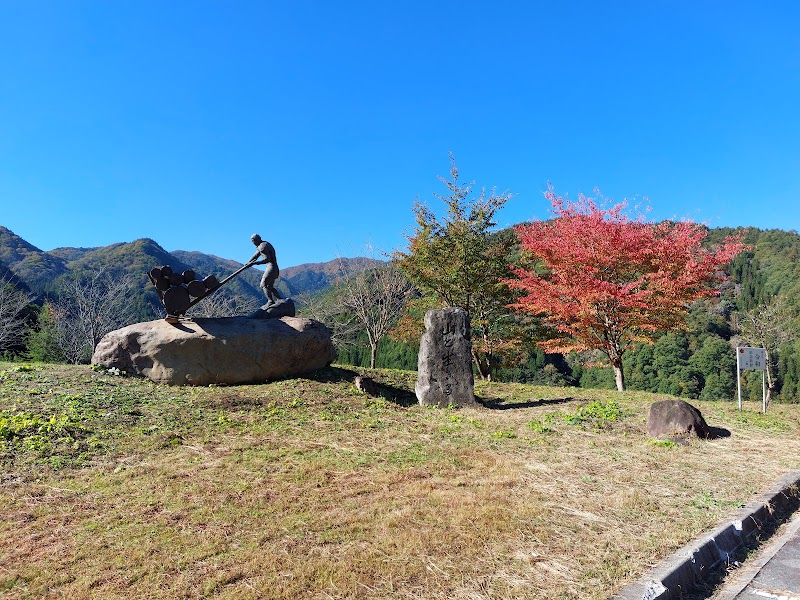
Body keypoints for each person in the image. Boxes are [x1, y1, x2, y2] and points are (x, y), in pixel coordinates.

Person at [248, 233, 283, 305]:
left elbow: (267, 259)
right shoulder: (264, 244)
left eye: (253, 241)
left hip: (271, 268)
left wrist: (255, 263)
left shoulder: (262, 247)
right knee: (270, 286)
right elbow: (255, 255)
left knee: (263, 284)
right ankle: (280, 299)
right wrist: (248, 263)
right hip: (275, 268)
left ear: (255, 240)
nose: (253, 243)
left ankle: (270, 301)